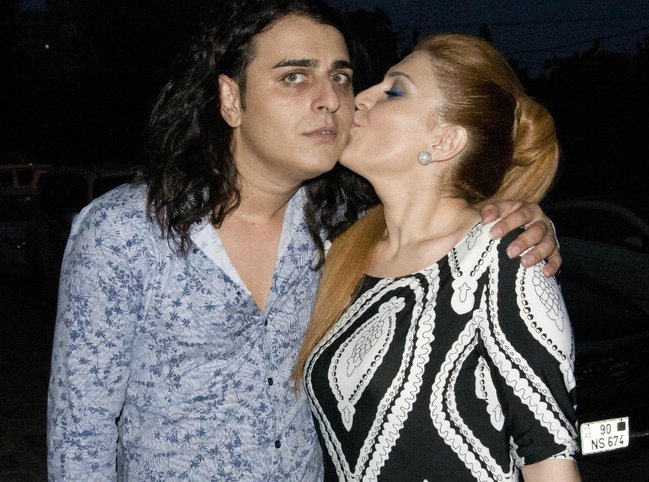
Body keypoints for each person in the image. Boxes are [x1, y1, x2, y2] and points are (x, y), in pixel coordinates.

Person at [47, 1, 561, 480]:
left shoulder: (340, 230)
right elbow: (79, 435)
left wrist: (525, 214)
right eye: (294, 77)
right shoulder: (124, 233)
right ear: (231, 100)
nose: (332, 99)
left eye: (340, 76)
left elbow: (442, 216)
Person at [297, 34, 580, 481]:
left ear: (446, 141)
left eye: (394, 90)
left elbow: (550, 460)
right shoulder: (339, 250)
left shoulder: (504, 256)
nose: (359, 98)